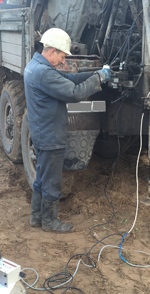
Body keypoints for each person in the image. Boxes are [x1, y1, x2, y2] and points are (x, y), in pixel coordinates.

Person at [24, 27, 111, 233]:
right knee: (52, 181)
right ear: (52, 51)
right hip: (51, 135)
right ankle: (50, 221)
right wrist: (99, 79)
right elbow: (74, 92)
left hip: (41, 132)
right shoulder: (44, 73)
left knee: (41, 177)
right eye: (62, 56)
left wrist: (94, 74)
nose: (63, 61)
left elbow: (67, 80)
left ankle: (36, 217)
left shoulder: (35, 66)